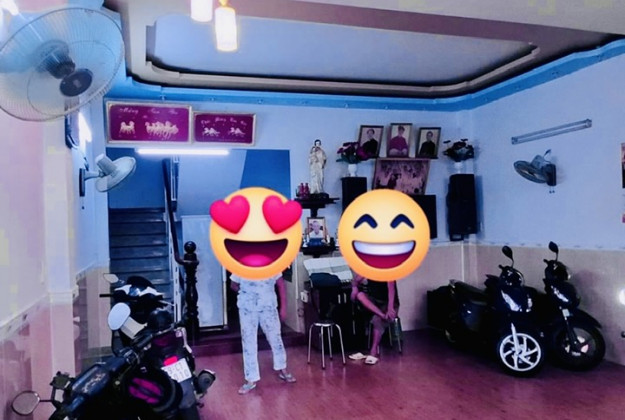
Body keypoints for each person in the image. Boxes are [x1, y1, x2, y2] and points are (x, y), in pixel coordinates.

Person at [230, 273, 296, 394]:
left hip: (269, 307)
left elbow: (281, 284)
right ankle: (251, 379)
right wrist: (248, 293)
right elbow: (233, 285)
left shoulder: (271, 265)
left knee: (275, 338)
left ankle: (282, 369)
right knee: (248, 342)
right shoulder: (241, 266)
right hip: (247, 309)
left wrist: (283, 307)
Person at [348, 272, 399, 365]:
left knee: (377, 320)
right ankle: (382, 315)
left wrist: (390, 308)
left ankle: (373, 352)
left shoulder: (387, 271)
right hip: (375, 304)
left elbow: (391, 289)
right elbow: (355, 281)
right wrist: (354, 288)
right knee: (360, 295)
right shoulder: (369, 270)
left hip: (388, 303)